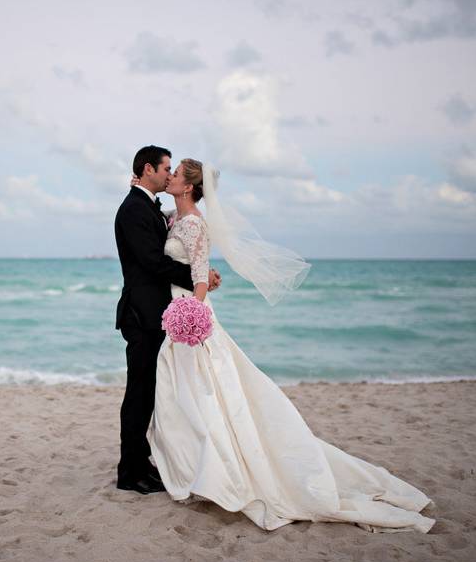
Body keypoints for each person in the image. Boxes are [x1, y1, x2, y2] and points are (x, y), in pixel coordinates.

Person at [146, 158, 436, 533]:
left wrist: (194, 317)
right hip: (176, 310)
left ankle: (210, 468)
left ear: (188, 186)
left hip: (190, 315)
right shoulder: (174, 217)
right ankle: (188, 461)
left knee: (203, 389)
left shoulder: (195, 224)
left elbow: (200, 276)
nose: (169, 177)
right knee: (184, 388)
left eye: (176, 174)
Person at [113, 145, 221, 495]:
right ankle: (130, 471)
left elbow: (177, 252)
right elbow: (152, 262)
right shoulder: (134, 209)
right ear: (149, 170)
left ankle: (143, 462)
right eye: (165, 169)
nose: (169, 174)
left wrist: (202, 275)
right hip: (142, 315)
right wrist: (199, 278)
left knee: (154, 393)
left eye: (173, 171)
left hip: (159, 313)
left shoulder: (151, 207)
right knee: (139, 394)